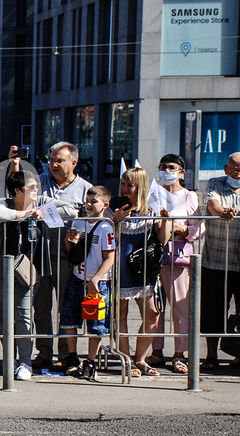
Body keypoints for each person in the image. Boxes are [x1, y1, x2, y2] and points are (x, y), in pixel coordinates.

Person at [32, 142, 92, 370]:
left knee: (66, 309)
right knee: (41, 307)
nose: (54, 164)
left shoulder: (85, 188)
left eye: (60, 160)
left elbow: (92, 219)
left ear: (74, 163)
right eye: (52, 160)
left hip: (68, 257)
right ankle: (44, 351)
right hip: (41, 255)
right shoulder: (39, 181)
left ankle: (67, 354)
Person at [0, 172, 50, 381]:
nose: (36, 191)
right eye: (31, 187)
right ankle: (9, 359)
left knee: (24, 316)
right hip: (2, 268)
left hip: (29, 271)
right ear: (18, 191)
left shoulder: (41, 202)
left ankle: (25, 361)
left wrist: (42, 212)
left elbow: (69, 208)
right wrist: (22, 215)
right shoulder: (5, 203)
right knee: (5, 316)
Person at [112, 167, 170, 377]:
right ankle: (126, 359)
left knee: (152, 314)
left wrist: (165, 221)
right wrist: (116, 219)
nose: (125, 189)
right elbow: (104, 234)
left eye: (130, 185)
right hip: (118, 266)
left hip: (143, 269)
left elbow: (162, 240)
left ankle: (141, 359)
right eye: (123, 184)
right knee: (121, 315)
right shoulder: (114, 205)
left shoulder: (151, 210)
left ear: (141, 187)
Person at [148, 154, 202, 373]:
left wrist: (177, 227)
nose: (166, 171)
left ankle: (179, 354)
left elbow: (198, 228)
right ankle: (156, 351)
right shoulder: (153, 193)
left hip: (178, 256)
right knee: (154, 307)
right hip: (153, 255)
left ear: (181, 172)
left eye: (171, 167)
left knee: (180, 306)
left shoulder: (189, 196)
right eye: (163, 167)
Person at [60, 186, 116, 377]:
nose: (89, 205)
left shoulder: (106, 227)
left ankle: (91, 360)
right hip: (77, 277)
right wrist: (68, 240)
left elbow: (110, 257)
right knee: (69, 317)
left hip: (97, 283)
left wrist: (96, 279)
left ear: (105, 205)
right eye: (87, 201)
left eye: (94, 201)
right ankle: (73, 357)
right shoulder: (79, 221)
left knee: (96, 323)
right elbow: (73, 251)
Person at [200, 151, 240, 369]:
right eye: (233, 170)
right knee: (213, 310)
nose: (237, 174)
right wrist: (223, 212)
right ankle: (211, 355)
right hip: (216, 260)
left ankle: (238, 354)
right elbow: (212, 205)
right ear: (226, 170)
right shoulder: (215, 183)